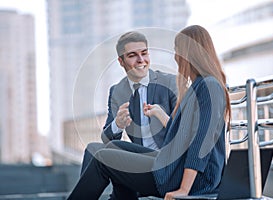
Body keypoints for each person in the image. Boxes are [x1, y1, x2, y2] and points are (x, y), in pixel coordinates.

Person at [67, 25, 231, 200]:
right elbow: (183, 135)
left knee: (102, 159)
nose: (175, 57)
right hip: (171, 163)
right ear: (121, 61)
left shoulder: (208, 86)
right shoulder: (198, 86)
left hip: (190, 178)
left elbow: (201, 143)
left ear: (188, 54)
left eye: (177, 51)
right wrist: (120, 123)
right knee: (111, 146)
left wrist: (183, 189)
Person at [80, 32, 177, 174]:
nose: (141, 60)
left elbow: (183, 133)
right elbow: (106, 139)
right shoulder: (117, 91)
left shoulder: (170, 83)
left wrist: (161, 115)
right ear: (121, 61)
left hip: (166, 160)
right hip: (139, 159)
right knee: (93, 149)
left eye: (144, 53)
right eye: (132, 56)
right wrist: (117, 125)